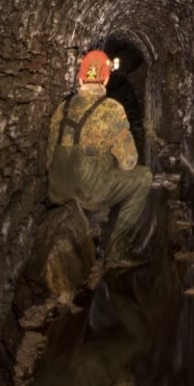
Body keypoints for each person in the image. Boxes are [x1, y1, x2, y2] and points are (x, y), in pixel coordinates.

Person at [47, 49, 152, 268]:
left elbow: (49, 157)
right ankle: (117, 252)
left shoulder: (62, 108)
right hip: (90, 191)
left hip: (56, 190)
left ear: (79, 78)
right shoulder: (112, 109)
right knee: (143, 177)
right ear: (105, 79)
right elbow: (129, 162)